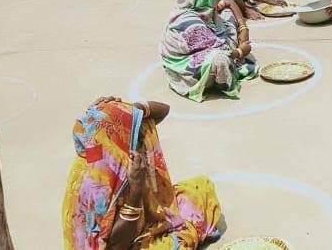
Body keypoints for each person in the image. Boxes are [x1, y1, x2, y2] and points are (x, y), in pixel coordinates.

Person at [62, 97, 227, 249]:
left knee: (200, 189)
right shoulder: (97, 185)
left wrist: (135, 110)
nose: (142, 140)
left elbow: (163, 110)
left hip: (139, 222)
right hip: (116, 243)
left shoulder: (107, 150)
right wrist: (136, 191)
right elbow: (114, 245)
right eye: (134, 137)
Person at [159, 0, 258, 102]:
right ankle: (215, 82)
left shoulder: (195, 6)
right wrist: (240, 51)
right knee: (221, 60)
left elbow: (229, 2)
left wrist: (243, 28)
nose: (218, 1)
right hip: (187, 69)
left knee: (227, 16)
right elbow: (224, 52)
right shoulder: (191, 23)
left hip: (205, 48)